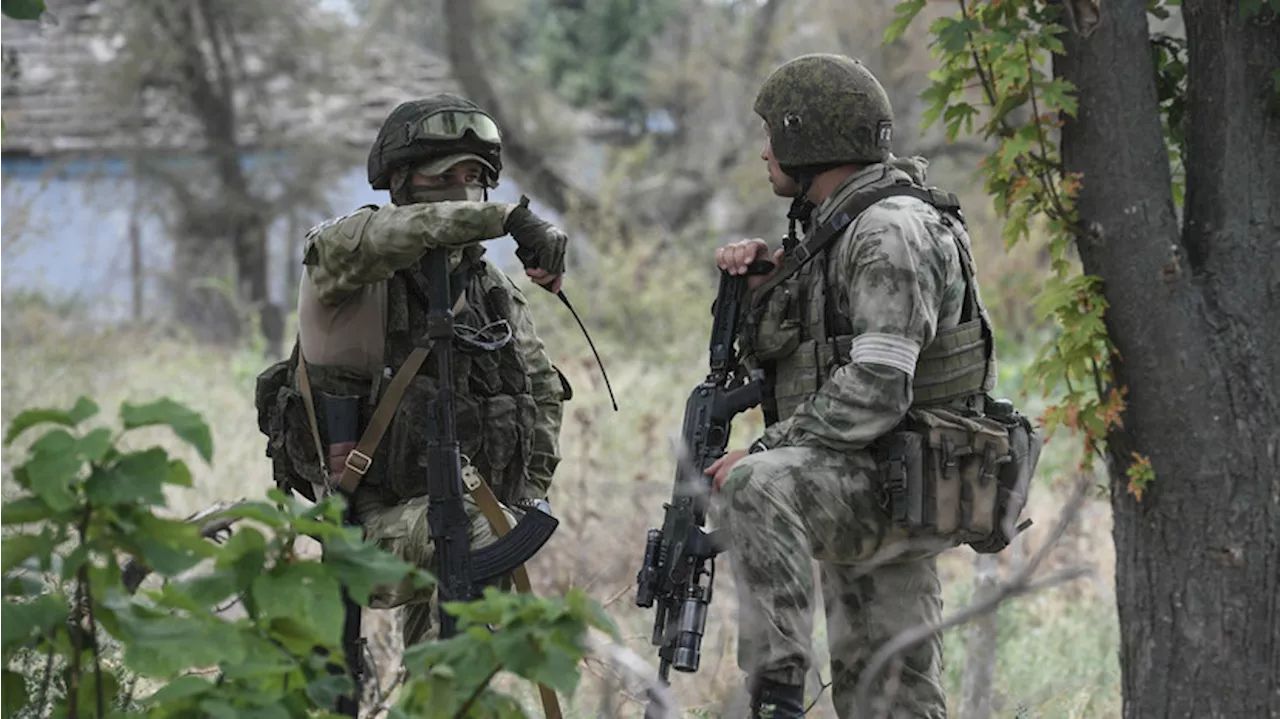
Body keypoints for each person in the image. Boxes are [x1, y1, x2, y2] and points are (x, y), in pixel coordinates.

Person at [705, 53, 1030, 718]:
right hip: (881, 473)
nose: (765, 151)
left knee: (755, 485)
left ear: (808, 138)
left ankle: (774, 700)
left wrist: (767, 452)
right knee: (889, 694)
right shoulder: (846, 226)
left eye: (775, 134)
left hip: (896, 478)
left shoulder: (887, 230)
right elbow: (811, 352)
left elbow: (880, 385)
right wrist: (769, 283)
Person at [256, 92, 572, 648]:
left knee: (473, 570)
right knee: (473, 530)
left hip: (454, 515)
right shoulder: (346, 257)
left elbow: (542, 391)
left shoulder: (489, 291)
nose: (461, 190)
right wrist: (507, 219)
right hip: (364, 530)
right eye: (442, 177)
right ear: (401, 184)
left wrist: (525, 499)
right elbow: (401, 232)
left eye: (475, 177)